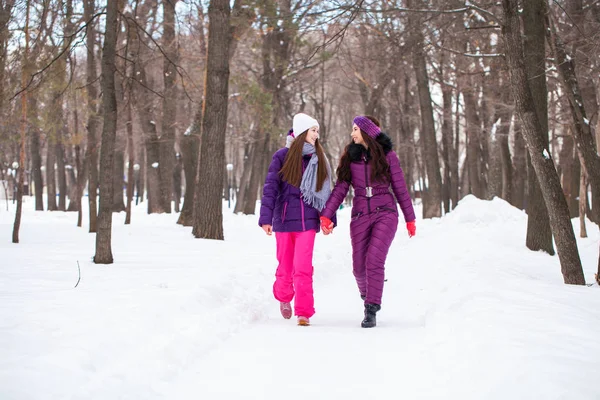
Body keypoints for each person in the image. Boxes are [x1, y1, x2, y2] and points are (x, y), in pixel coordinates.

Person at [319, 116, 416, 328]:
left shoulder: (388, 156)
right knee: (358, 268)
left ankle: (371, 308)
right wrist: (327, 214)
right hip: (361, 214)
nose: (352, 134)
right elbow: (341, 189)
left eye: (355, 129)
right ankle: (367, 294)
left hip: (386, 212)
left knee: (374, 260)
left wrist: (410, 218)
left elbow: (400, 188)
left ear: (367, 132)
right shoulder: (350, 158)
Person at [258, 113, 334, 326]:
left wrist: (328, 219)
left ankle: (304, 312)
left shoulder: (318, 158)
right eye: (313, 130)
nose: (316, 135)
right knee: (285, 267)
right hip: (283, 221)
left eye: (317, 131)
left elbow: (326, 192)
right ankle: (283, 297)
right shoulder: (282, 156)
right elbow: (270, 188)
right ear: (302, 132)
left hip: (307, 223)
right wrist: (266, 218)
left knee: (303, 267)